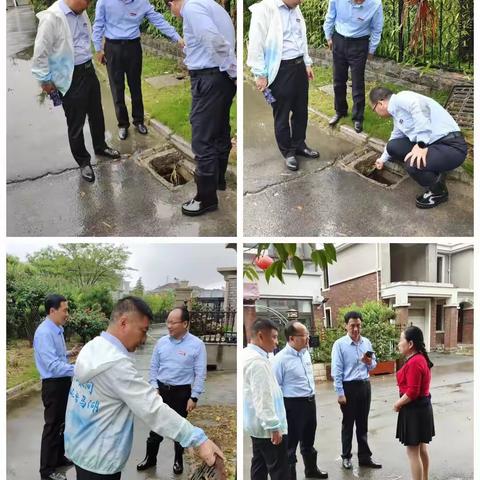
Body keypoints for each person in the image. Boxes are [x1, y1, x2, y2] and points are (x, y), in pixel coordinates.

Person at [64, 296, 223, 479]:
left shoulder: (93, 347)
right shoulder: (116, 364)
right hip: (100, 457)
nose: (144, 339)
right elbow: (153, 409)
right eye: (143, 330)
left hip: (80, 446)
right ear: (124, 323)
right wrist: (199, 439)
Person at [31, 0, 121, 184]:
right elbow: (40, 53)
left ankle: (100, 146)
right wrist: (45, 81)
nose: (88, 5)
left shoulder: (80, 12)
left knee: (97, 113)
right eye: (86, 1)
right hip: (70, 76)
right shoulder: (52, 18)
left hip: (88, 70)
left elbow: (83, 39)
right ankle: (83, 161)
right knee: (76, 121)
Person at [166, 0, 237, 217]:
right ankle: (218, 181)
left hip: (210, 78)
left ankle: (205, 199)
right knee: (219, 132)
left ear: (172, 3)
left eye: (170, 9)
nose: (174, 14)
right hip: (219, 78)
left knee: (202, 138)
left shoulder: (192, 8)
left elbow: (214, 41)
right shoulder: (208, 4)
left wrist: (233, 71)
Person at [93, 0, 184, 140]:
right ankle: (123, 124)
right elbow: (98, 24)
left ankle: (138, 121)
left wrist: (177, 37)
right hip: (113, 47)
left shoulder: (142, 2)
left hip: (133, 47)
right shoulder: (104, 2)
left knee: (135, 86)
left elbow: (157, 20)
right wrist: (98, 49)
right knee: (117, 88)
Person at [247, 0, 319, 172]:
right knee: (282, 113)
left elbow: (302, 37)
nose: (301, 1)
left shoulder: (295, 9)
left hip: (299, 66)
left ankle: (299, 144)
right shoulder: (264, 9)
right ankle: (288, 152)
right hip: (280, 70)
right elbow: (256, 43)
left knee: (301, 111)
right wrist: (260, 74)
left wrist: (307, 63)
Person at [370, 86, 468, 208]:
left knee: (412, 163)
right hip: (433, 145)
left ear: (380, 103)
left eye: (374, 109)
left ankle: (439, 192)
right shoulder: (396, 115)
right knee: (393, 146)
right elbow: (395, 137)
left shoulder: (402, 97)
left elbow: (419, 106)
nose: (377, 115)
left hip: (451, 146)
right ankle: (436, 171)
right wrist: (382, 159)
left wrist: (420, 145)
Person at [137, 306, 207, 474]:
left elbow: (200, 373)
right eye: (168, 322)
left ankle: (178, 461)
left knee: (179, 428)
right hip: (161, 391)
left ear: (185, 324)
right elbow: (153, 367)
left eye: (173, 322)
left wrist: (194, 397)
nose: (169, 326)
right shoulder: (161, 342)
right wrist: (154, 387)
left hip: (181, 393)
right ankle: (150, 458)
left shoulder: (197, 345)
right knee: (156, 428)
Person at [33, 294, 81, 480]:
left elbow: (57, 356)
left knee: (62, 423)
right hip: (53, 385)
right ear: (52, 311)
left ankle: (59, 458)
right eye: (65, 310)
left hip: (62, 383)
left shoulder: (56, 328)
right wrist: (78, 368)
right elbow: (52, 366)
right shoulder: (44, 332)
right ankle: (46, 470)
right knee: (52, 427)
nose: (67, 314)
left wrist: (70, 353)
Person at [272, 321, 328, 479]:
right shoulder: (280, 360)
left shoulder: (305, 353)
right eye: (304, 335)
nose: (307, 338)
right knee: (290, 445)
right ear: (291, 338)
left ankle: (311, 470)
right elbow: (276, 388)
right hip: (292, 406)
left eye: (307, 335)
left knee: (309, 440)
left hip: (310, 402)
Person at [331, 311, 381, 470]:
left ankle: (365, 457)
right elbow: (336, 370)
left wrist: (369, 362)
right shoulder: (339, 344)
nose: (355, 329)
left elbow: (373, 364)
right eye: (352, 325)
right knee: (348, 424)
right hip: (349, 387)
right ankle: (346, 456)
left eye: (358, 325)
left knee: (363, 423)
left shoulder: (366, 342)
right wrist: (340, 393)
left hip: (364, 385)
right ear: (346, 325)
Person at [323, 0, 384, 133]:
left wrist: (371, 50)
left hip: (359, 43)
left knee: (357, 82)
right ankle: (340, 111)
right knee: (338, 80)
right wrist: (328, 36)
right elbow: (330, 16)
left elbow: (377, 29)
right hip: (339, 40)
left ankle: (358, 117)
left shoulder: (375, 4)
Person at [243, 319, 289, 480]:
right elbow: (262, 397)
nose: (277, 342)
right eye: (274, 337)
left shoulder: (248, 355)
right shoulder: (257, 362)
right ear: (261, 336)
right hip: (267, 429)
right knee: (280, 470)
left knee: (259, 465)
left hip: (257, 426)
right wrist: (274, 426)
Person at [394, 326, 435, 480]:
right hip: (422, 407)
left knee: (412, 452)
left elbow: (412, 392)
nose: (399, 343)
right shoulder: (420, 358)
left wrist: (397, 403)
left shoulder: (414, 362)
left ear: (410, 344)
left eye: (401, 340)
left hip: (414, 410)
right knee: (422, 448)